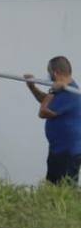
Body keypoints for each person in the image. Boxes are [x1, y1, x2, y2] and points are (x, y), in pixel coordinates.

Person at [24, 56, 81, 185]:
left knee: (65, 191)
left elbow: (43, 112)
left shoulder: (70, 92)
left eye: (49, 73)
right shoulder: (62, 90)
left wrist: (52, 91)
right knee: (52, 186)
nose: (49, 76)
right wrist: (32, 86)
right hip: (58, 149)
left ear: (55, 73)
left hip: (68, 152)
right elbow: (46, 101)